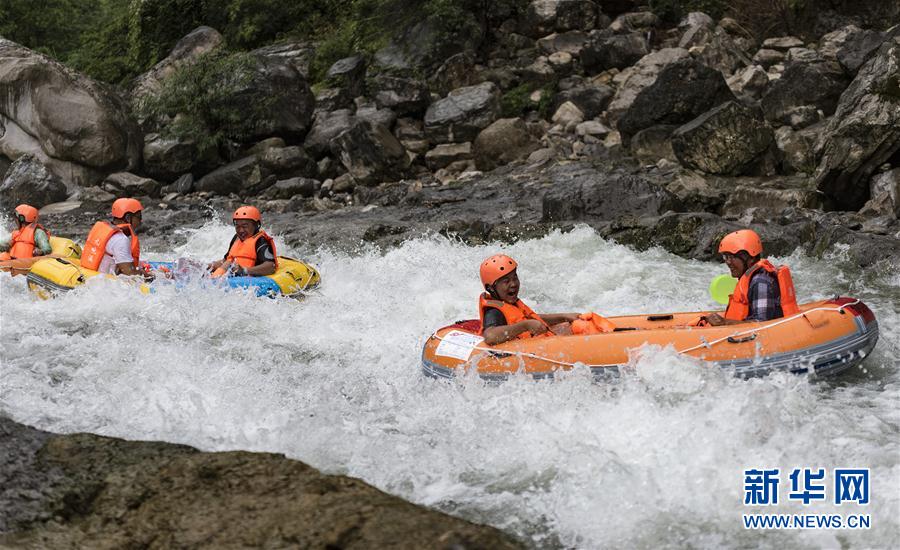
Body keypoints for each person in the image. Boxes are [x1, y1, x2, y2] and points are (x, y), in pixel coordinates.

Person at [478, 254, 581, 345]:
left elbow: (529, 318)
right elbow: (490, 336)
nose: (513, 284)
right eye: (506, 281)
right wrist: (525, 326)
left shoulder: (508, 302)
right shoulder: (494, 312)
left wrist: (564, 317)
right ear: (490, 288)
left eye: (515, 278)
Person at [703, 229, 799, 326]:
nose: (728, 262)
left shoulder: (761, 281)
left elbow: (762, 325)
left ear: (751, 258)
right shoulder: (750, 277)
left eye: (732, 257)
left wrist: (724, 323)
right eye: (726, 257)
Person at [80, 198, 149, 277]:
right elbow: (130, 274)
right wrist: (149, 275)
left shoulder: (104, 229)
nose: (140, 221)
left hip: (92, 273)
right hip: (104, 281)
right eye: (139, 217)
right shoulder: (121, 239)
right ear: (128, 218)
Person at [209, 206, 277, 277]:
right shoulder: (236, 238)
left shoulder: (261, 241)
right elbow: (225, 261)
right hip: (234, 277)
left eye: (245, 226)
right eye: (237, 226)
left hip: (251, 280)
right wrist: (208, 266)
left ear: (256, 225)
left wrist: (245, 270)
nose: (241, 230)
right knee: (227, 264)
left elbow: (271, 267)